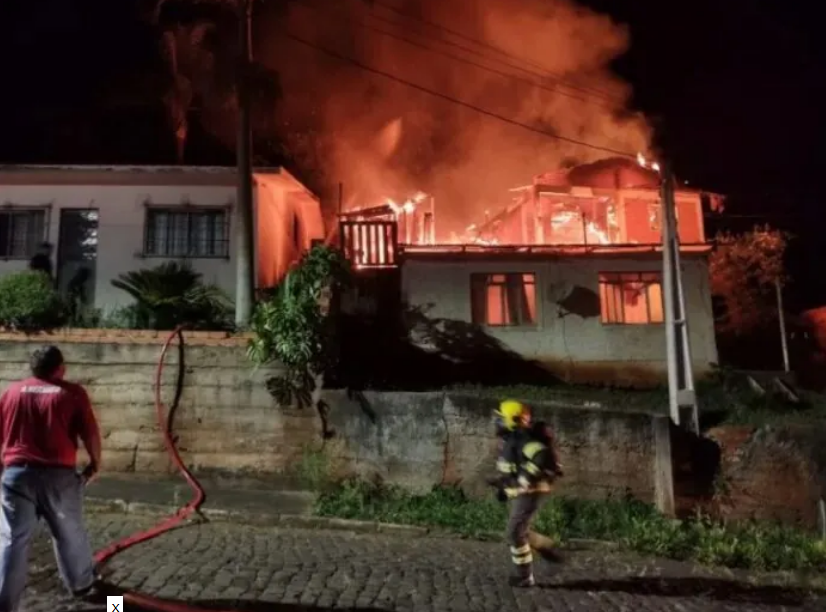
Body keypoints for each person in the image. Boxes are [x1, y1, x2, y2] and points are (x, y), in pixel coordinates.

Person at [0, 346, 104, 611]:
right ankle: (84, 587)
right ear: (59, 368)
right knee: (69, 533)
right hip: (57, 477)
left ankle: (5, 603)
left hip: (15, 475)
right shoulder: (72, 393)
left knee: (13, 539)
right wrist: (95, 463)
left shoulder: (11, 393)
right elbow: (90, 434)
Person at [492, 400, 564, 588]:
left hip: (531, 491)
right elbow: (513, 469)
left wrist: (526, 478)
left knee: (514, 533)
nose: (497, 422)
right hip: (526, 491)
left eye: (501, 418)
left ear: (512, 420)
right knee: (518, 531)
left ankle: (525, 576)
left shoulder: (522, 438)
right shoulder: (513, 439)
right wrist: (504, 488)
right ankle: (547, 547)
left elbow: (541, 455)